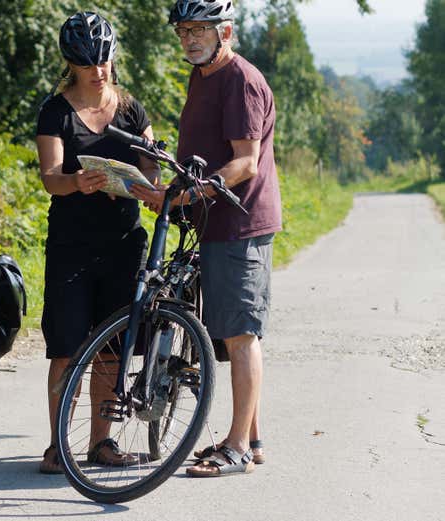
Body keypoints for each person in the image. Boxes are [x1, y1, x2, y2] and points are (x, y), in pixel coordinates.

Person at [131, 0, 282, 477]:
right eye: (184, 31)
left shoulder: (240, 80)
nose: (190, 38)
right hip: (212, 221)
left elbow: (244, 163)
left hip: (240, 224)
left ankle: (236, 448)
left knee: (240, 334)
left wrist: (182, 196)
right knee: (229, 330)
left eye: (200, 29)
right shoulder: (203, 76)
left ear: (226, 32)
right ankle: (251, 438)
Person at [35, 11, 160, 474]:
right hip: (71, 244)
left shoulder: (130, 110)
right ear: (71, 63)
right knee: (66, 347)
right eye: (88, 63)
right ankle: (56, 446)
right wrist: (77, 182)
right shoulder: (56, 111)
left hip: (124, 244)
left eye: (103, 60)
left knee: (112, 347)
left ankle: (100, 444)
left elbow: (151, 165)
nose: (98, 70)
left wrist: (147, 181)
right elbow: (50, 178)